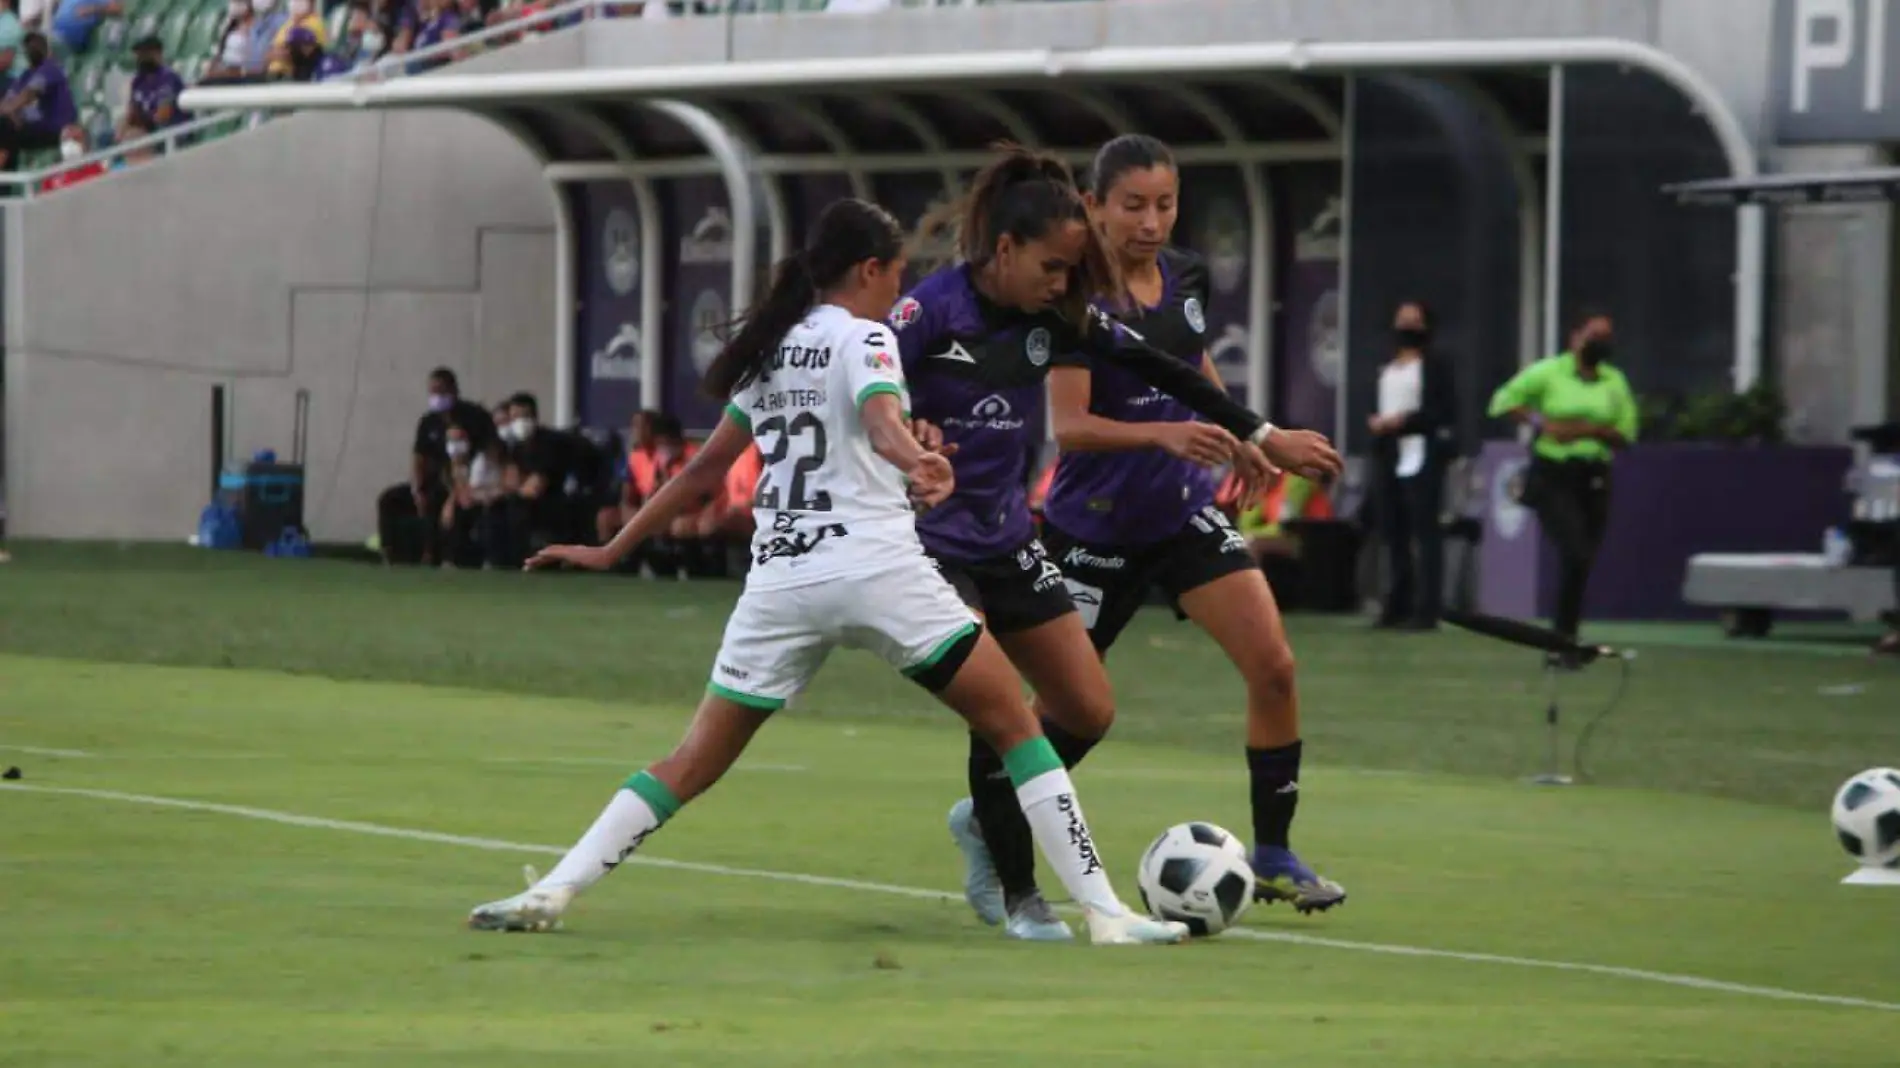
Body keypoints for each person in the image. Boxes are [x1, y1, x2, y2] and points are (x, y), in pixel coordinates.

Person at [466, 198, 1190, 947]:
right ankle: (1104, 913)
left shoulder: (773, 348)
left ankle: (555, 888)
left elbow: (703, 474)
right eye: (896, 275)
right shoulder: (866, 338)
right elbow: (881, 420)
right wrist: (921, 460)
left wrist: (613, 548)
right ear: (869, 270)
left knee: (688, 761)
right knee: (1016, 726)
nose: (899, 293)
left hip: (781, 584)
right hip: (876, 570)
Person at [889, 142, 1342, 940]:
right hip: (1049, 530)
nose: (1150, 221)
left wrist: (1254, 435)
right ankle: (1010, 863)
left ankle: (1271, 847)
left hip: (1121, 524)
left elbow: (1182, 370)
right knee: (1022, 710)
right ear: (1090, 209)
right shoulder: (988, 304)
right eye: (1133, 204)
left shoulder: (1127, 291)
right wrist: (900, 429)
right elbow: (1057, 423)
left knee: (1207, 680)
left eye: (1164, 205)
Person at [1488, 311, 1638, 647]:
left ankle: (1564, 634)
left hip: (1595, 474)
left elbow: (1626, 432)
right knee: (1574, 550)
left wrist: (1586, 430)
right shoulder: (1549, 372)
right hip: (1554, 474)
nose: (1600, 343)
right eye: (1593, 335)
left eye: (1606, 336)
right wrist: (1543, 422)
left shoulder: (1614, 381)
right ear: (1575, 338)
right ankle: (1562, 637)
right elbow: (1502, 401)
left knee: (1584, 555)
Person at [1367, 299, 1458, 630]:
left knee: (1425, 531)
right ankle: (1397, 602)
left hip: (1422, 452)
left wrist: (1404, 421)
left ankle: (1427, 608)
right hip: (1389, 452)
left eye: (1413, 321)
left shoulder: (1435, 365)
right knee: (1393, 532)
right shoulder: (1387, 366)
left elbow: (1443, 412)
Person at [376, 367, 494, 566]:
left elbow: (469, 462)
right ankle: (390, 553)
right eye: (432, 392)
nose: (436, 397)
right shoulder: (428, 422)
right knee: (389, 499)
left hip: (464, 482)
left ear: (453, 391)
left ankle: (435, 555)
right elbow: (418, 457)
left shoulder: (474, 417)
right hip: (434, 480)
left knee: (436, 502)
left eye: (441, 391)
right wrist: (416, 489)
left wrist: (454, 494)